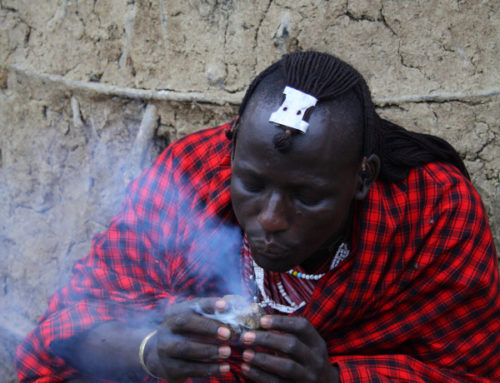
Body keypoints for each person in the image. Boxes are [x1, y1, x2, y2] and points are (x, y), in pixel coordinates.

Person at [16, 51, 500, 383]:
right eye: (252, 185)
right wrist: (150, 350)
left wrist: (332, 377)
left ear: (362, 178)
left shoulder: (433, 213)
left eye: (306, 196)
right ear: (232, 152)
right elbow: (70, 324)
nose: (269, 219)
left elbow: (470, 372)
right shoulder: (193, 172)